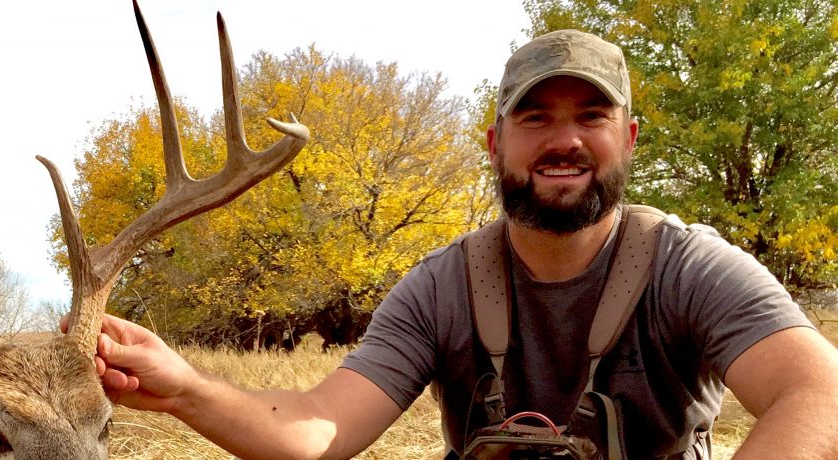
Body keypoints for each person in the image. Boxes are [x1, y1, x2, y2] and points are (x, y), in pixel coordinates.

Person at [83, 29, 838, 458]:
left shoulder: (690, 266)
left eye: (591, 117)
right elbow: (320, 427)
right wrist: (184, 388)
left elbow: (821, 394)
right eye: (535, 118)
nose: (565, 141)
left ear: (630, 138)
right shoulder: (442, 287)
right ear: (495, 142)